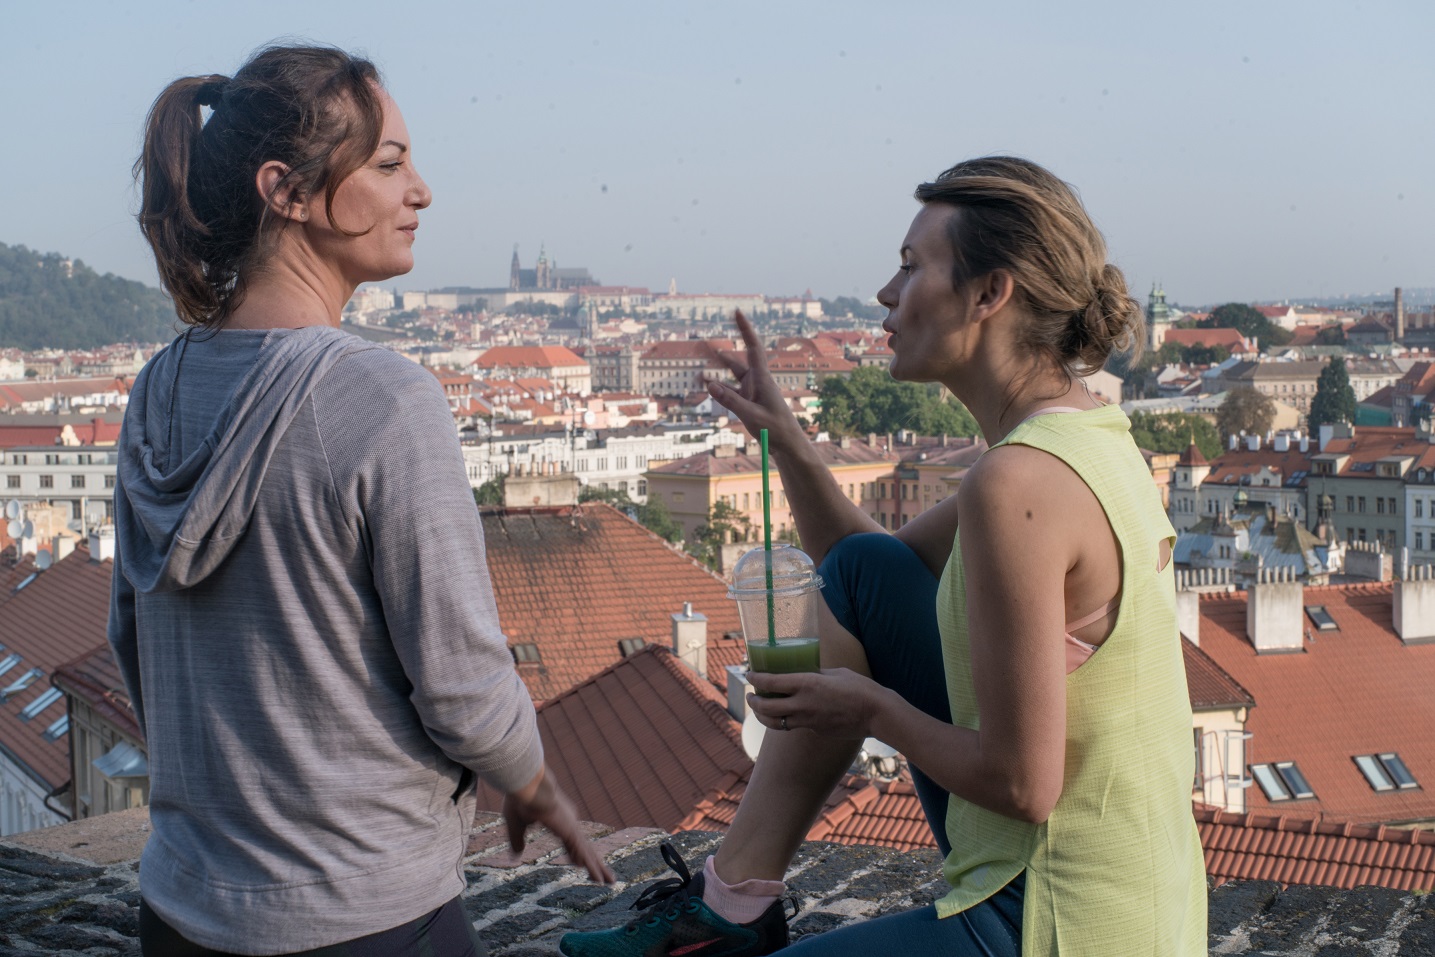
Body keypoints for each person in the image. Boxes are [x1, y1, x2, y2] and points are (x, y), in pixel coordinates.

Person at [560, 157, 1205, 957]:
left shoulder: (1017, 483)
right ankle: (731, 900)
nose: (884, 293)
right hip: (1145, 904)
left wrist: (866, 709)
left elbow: (1023, 786)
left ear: (988, 293)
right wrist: (785, 439)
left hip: (1055, 921)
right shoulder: (1084, 435)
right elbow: (862, 574)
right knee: (865, 571)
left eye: (908, 266)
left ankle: (729, 911)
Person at [114, 44, 612, 957]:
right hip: (363, 910)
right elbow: (462, 688)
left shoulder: (156, 390)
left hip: (182, 907)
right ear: (287, 191)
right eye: (388, 164)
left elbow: (131, 641)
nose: (420, 191)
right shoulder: (382, 396)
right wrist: (530, 778)